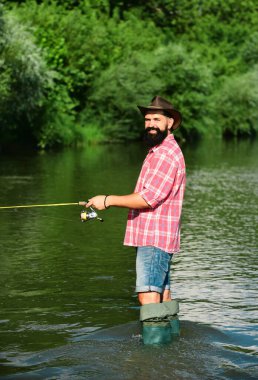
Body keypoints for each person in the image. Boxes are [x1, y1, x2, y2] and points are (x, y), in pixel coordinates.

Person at [86, 95, 186, 309]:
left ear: (169, 122)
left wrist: (108, 200)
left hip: (154, 238)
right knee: (162, 294)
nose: (151, 124)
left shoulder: (165, 155)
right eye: (147, 120)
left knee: (148, 297)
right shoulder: (160, 150)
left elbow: (148, 198)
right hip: (158, 237)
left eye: (156, 120)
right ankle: (169, 339)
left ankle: (155, 343)